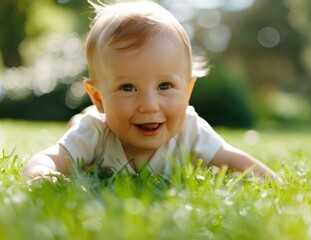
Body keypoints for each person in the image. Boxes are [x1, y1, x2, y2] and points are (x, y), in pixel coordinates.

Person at [22, 0, 277, 182]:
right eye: (128, 88)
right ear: (98, 98)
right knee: (79, 126)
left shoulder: (190, 130)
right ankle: (75, 121)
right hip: (90, 123)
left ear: (187, 91)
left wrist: (272, 183)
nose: (149, 105)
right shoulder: (96, 131)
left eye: (165, 86)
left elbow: (237, 162)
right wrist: (44, 176)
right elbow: (45, 160)